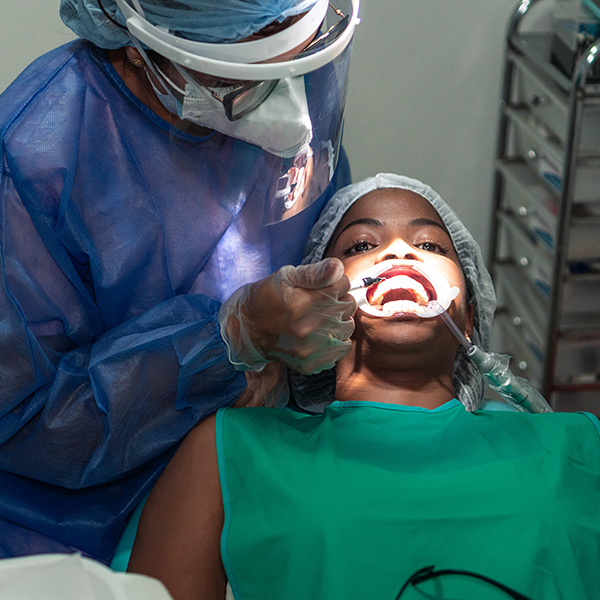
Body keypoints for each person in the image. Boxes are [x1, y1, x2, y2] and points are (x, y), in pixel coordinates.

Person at [124, 174, 600, 600]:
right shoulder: (229, 450)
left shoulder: (579, 444)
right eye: (360, 246)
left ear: (470, 316)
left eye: (431, 246)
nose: (399, 251)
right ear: (313, 307)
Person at [0, 0, 359, 563]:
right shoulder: (35, 159)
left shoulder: (294, 64)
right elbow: (21, 422)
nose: (291, 108)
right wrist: (225, 345)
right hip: (73, 534)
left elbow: (328, 230)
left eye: (299, 57)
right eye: (243, 79)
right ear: (144, 51)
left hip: (262, 479)